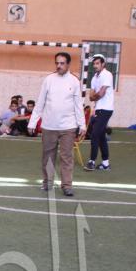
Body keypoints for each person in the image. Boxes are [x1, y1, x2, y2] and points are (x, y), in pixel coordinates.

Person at [29, 51, 86, 196]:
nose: (59, 66)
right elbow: (40, 102)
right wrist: (32, 122)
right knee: (48, 156)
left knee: (67, 157)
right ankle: (47, 183)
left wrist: (82, 125)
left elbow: (78, 105)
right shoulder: (48, 80)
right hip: (49, 126)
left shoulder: (74, 81)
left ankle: (67, 186)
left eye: (62, 63)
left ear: (68, 64)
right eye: (57, 63)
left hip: (68, 126)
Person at [84, 54, 115, 171]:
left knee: (95, 135)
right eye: (94, 64)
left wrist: (94, 96)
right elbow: (91, 96)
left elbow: (101, 93)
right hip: (98, 109)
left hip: (106, 109)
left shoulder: (107, 75)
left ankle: (91, 162)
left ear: (103, 64)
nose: (95, 66)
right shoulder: (94, 78)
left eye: (97, 63)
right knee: (101, 137)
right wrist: (94, 99)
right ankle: (105, 164)